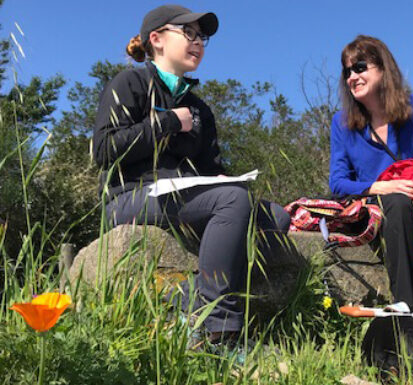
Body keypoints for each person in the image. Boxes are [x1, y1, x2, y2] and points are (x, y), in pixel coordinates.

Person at [92, 5, 289, 345]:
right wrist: (167, 121)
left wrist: (233, 183)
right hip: (129, 197)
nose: (198, 42)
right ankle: (219, 331)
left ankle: (185, 298)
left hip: (183, 199)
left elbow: (212, 171)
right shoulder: (130, 83)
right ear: (157, 39)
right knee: (232, 200)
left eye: (202, 37)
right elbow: (104, 149)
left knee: (277, 218)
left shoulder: (200, 109)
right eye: (190, 33)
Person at [329, 35, 413, 307]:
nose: (352, 76)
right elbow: (338, 183)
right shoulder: (341, 123)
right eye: (347, 71)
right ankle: (406, 306)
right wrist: (379, 187)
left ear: (383, 68)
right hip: (377, 207)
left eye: (360, 67)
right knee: (396, 204)